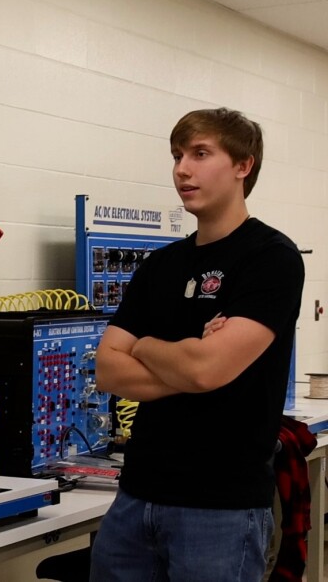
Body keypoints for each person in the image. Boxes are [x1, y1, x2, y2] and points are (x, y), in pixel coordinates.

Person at [90, 107, 304, 581]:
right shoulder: (160, 266)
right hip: (136, 498)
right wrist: (186, 360)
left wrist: (144, 345)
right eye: (177, 155)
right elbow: (108, 369)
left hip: (221, 508)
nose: (182, 169)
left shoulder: (272, 259)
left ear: (242, 166)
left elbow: (206, 370)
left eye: (201, 154)